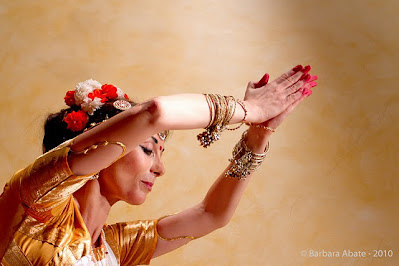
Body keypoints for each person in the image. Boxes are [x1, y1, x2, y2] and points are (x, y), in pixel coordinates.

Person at [0, 65, 317, 265]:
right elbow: (155, 113)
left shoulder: (114, 249)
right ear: (100, 148)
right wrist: (248, 109)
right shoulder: (35, 203)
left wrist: (259, 136)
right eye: (149, 149)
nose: (160, 168)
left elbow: (212, 214)